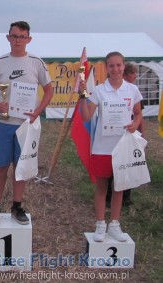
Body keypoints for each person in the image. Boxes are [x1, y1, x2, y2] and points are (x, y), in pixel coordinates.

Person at [0, 21, 53, 226]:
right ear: (8, 38)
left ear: (28, 39)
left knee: (21, 167)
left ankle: (17, 206)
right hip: (2, 123)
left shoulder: (36, 63)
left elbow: (49, 90)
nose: (18, 40)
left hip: (25, 125)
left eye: (22, 37)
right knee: (1, 165)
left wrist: (37, 112)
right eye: (14, 36)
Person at [79, 52, 143, 242]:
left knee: (119, 187)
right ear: (106, 68)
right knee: (101, 187)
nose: (115, 69)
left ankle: (114, 224)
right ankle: (100, 224)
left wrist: (135, 123)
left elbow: (138, 113)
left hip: (122, 147)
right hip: (102, 148)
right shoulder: (99, 90)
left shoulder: (132, 89)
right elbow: (86, 116)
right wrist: (82, 96)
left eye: (119, 65)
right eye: (111, 66)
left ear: (123, 66)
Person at [106, 62, 145, 207]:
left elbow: (139, 114)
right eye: (133, 73)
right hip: (112, 134)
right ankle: (109, 197)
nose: (135, 76)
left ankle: (126, 196)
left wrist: (139, 129)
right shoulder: (107, 90)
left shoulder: (133, 90)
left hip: (129, 133)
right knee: (113, 166)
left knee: (128, 164)